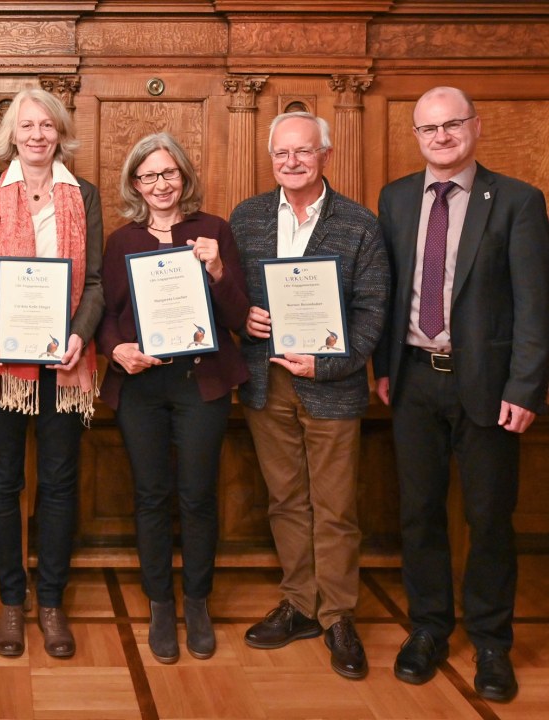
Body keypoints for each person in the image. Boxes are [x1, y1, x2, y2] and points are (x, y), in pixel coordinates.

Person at [374, 87, 549, 703]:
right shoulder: (395, 199)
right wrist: (383, 365)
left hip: (490, 386)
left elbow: (535, 305)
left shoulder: (519, 202)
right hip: (414, 378)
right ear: (416, 137)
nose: (441, 137)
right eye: (429, 129)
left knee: (488, 518)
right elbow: (388, 291)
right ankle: (428, 629)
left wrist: (527, 385)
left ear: (475, 127)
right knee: (418, 514)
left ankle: (493, 641)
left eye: (452, 125)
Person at [230, 112, 388, 680]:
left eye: (302, 152)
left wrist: (328, 363)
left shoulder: (359, 224)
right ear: (270, 158)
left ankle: (339, 614)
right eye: (281, 154)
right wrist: (240, 317)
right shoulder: (246, 219)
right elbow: (229, 295)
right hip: (265, 380)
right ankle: (300, 604)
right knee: (286, 499)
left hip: (332, 385)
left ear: (325, 154)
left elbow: (372, 312)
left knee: (336, 506)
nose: (291, 162)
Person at [0, 88, 103, 659]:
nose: (38, 135)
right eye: (27, 126)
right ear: (10, 136)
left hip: (66, 363)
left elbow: (92, 284)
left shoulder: (83, 195)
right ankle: (12, 602)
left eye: (47, 125)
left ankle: (51, 602)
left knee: (60, 483)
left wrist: (80, 336)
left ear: (60, 132)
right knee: (2, 482)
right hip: (3, 363)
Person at [97, 132, 249, 663]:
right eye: (148, 176)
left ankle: (198, 601)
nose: (160, 184)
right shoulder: (122, 241)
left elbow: (237, 317)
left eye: (168, 174)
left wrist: (216, 271)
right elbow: (108, 316)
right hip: (142, 385)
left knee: (198, 495)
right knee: (152, 494)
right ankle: (161, 602)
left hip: (199, 382)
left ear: (183, 176)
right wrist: (117, 350)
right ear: (135, 183)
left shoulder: (213, 231)